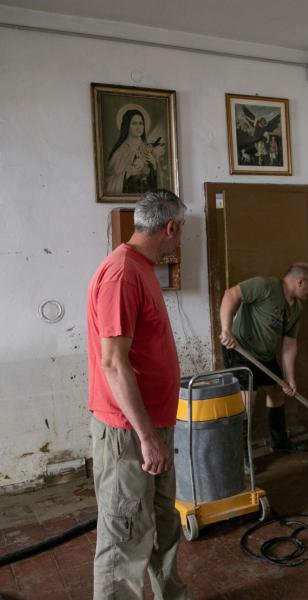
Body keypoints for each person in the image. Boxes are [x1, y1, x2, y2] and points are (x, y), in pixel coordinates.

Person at [87, 189, 190, 599]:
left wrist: (156, 431)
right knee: (123, 537)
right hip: (129, 433)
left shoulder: (142, 267)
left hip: (152, 425)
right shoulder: (122, 274)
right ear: (170, 227)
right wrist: (146, 437)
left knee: (163, 525)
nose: (181, 238)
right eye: (181, 230)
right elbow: (113, 363)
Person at [219, 263, 308, 455]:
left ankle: (279, 442)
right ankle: (242, 455)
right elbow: (230, 295)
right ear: (300, 281)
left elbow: (289, 344)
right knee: (247, 402)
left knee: (277, 392)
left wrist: (290, 377)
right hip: (240, 349)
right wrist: (226, 329)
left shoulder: (296, 309)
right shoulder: (265, 286)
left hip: (264, 355)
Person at [106, 109, 165, 194]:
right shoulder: (121, 151)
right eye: (134, 123)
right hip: (129, 198)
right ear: (127, 126)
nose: (138, 127)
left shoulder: (148, 149)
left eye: (141, 123)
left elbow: (159, 185)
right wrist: (128, 173)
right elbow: (109, 183)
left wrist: (154, 165)